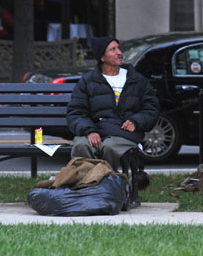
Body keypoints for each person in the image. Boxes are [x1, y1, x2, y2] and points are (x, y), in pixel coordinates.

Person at [66, 36, 160, 170]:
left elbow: (151, 109)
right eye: (113, 49)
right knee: (81, 145)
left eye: (118, 48)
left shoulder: (136, 79)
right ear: (102, 58)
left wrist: (135, 121)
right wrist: (90, 130)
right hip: (96, 130)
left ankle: (110, 185)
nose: (119, 52)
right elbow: (76, 112)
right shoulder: (88, 81)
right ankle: (86, 186)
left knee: (109, 147)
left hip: (123, 133)